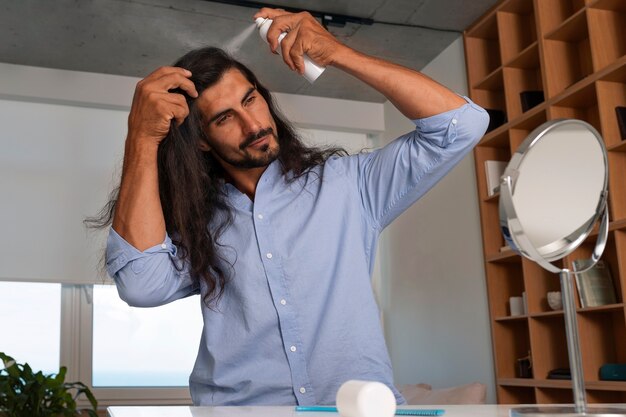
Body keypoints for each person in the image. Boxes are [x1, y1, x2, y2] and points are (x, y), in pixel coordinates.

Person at [100, 7, 489, 407]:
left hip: (356, 411)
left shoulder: (348, 186)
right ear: (200, 140)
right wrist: (142, 137)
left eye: (251, 100)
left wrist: (338, 53)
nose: (252, 125)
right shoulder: (197, 221)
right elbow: (141, 285)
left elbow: (462, 126)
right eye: (225, 118)